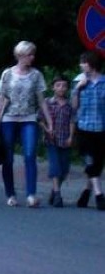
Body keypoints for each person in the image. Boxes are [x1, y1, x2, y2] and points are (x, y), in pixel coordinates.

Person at [0, 41, 53, 207]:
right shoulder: (7, 74)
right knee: (7, 158)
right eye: (30, 54)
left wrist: (49, 122)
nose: (33, 57)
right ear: (21, 56)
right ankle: (10, 194)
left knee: (30, 155)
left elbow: (42, 101)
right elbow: (0, 99)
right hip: (9, 118)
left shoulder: (36, 75)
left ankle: (31, 194)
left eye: (33, 54)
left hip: (29, 118)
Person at [71, 51, 105, 210]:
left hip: (101, 127)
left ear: (91, 64)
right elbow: (74, 106)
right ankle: (99, 195)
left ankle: (86, 192)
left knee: (97, 162)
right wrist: (78, 88)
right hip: (84, 127)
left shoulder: (104, 82)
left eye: (83, 62)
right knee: (90, 160)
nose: (81, 65)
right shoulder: (79, 81)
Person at [40, 74, 74, 207]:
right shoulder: (48, 103)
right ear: (53, 87)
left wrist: (71, 136)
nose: (61, 88)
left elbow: (72, 121)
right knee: (55, 166)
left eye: (64, 86)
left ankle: (54, 190)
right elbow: (40, 118)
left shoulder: (69, 106)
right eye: (58, 85)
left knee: (64, 169)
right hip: (52, 139)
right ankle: (58, 194)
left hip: (65, 139)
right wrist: (47, 128)